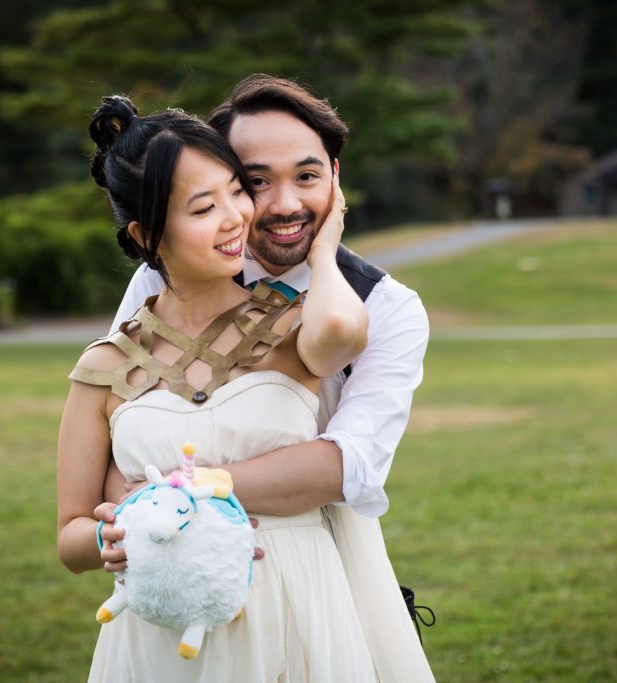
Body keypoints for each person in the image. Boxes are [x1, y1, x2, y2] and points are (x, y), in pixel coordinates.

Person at [103, 75, 434, 681]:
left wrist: (175, 497)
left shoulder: (387, 307)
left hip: (322, 570)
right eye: (256, 181)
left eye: (307, 177)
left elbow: (346, 466)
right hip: (182, 574)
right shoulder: (168, 278)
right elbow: (122, 427)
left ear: (335, 179)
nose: (283, 204)